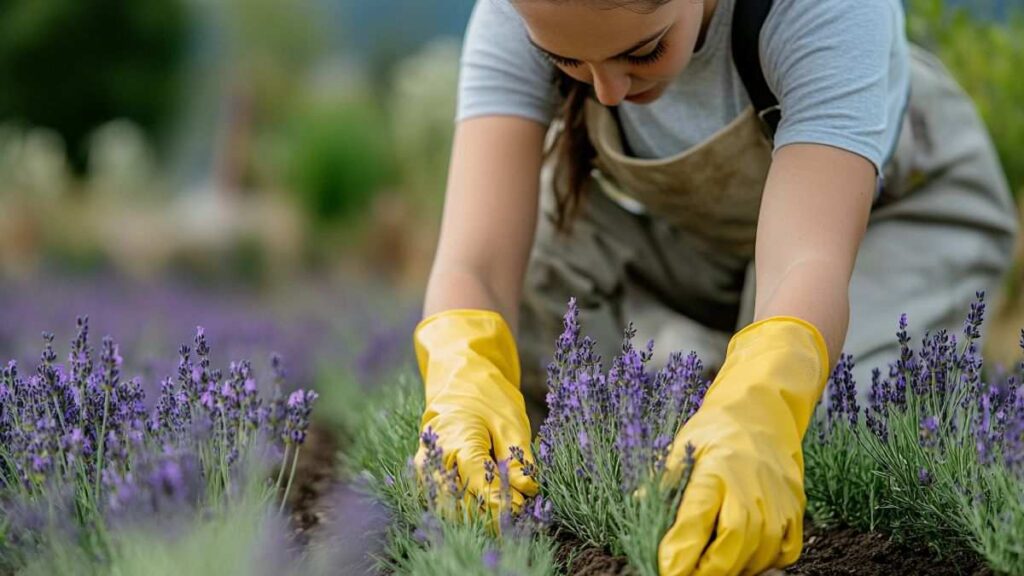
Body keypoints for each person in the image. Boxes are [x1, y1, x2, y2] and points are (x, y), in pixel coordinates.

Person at [411, 0, 1019, 573]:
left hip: (883, 222)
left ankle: (709, 391)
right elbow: (476, 263)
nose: (608, 91)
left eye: (642, 51)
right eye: (566, 60)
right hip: (701, 235)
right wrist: (465, 375)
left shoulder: (824, 12)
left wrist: (760, 407)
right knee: (535, 303)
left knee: (839, 431)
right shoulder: (516, 12)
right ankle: (689, 395)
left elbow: (806, 263)